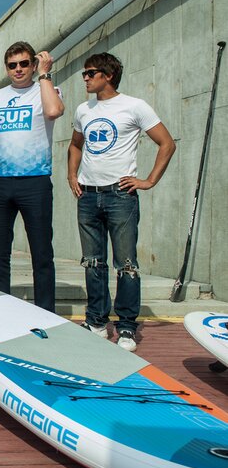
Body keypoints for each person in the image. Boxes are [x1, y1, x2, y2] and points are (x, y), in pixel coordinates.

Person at [67, 52, 175, 352]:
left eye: (90, 73)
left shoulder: (135, 106)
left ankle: (126, 327)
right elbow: (76, 145)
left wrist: (149, 180)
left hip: (120, 195)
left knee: (126, 264)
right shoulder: (83, 109)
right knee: (93, 263)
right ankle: (97, 322)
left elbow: (167, 143)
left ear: (108, 75)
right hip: (87, 195)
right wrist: (71, 175)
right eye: (84, 73)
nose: (85, 78)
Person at [0, 41, 64, 312]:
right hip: (0, 183)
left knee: (41, 253)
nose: (18, 69)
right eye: (13, 65)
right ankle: (2, 311)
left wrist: (45, 75)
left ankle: (46, 313)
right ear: (6, 68)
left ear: (33, 65)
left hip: (35, 182)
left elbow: (54, 112)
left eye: (24, 63)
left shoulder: (46, 89)